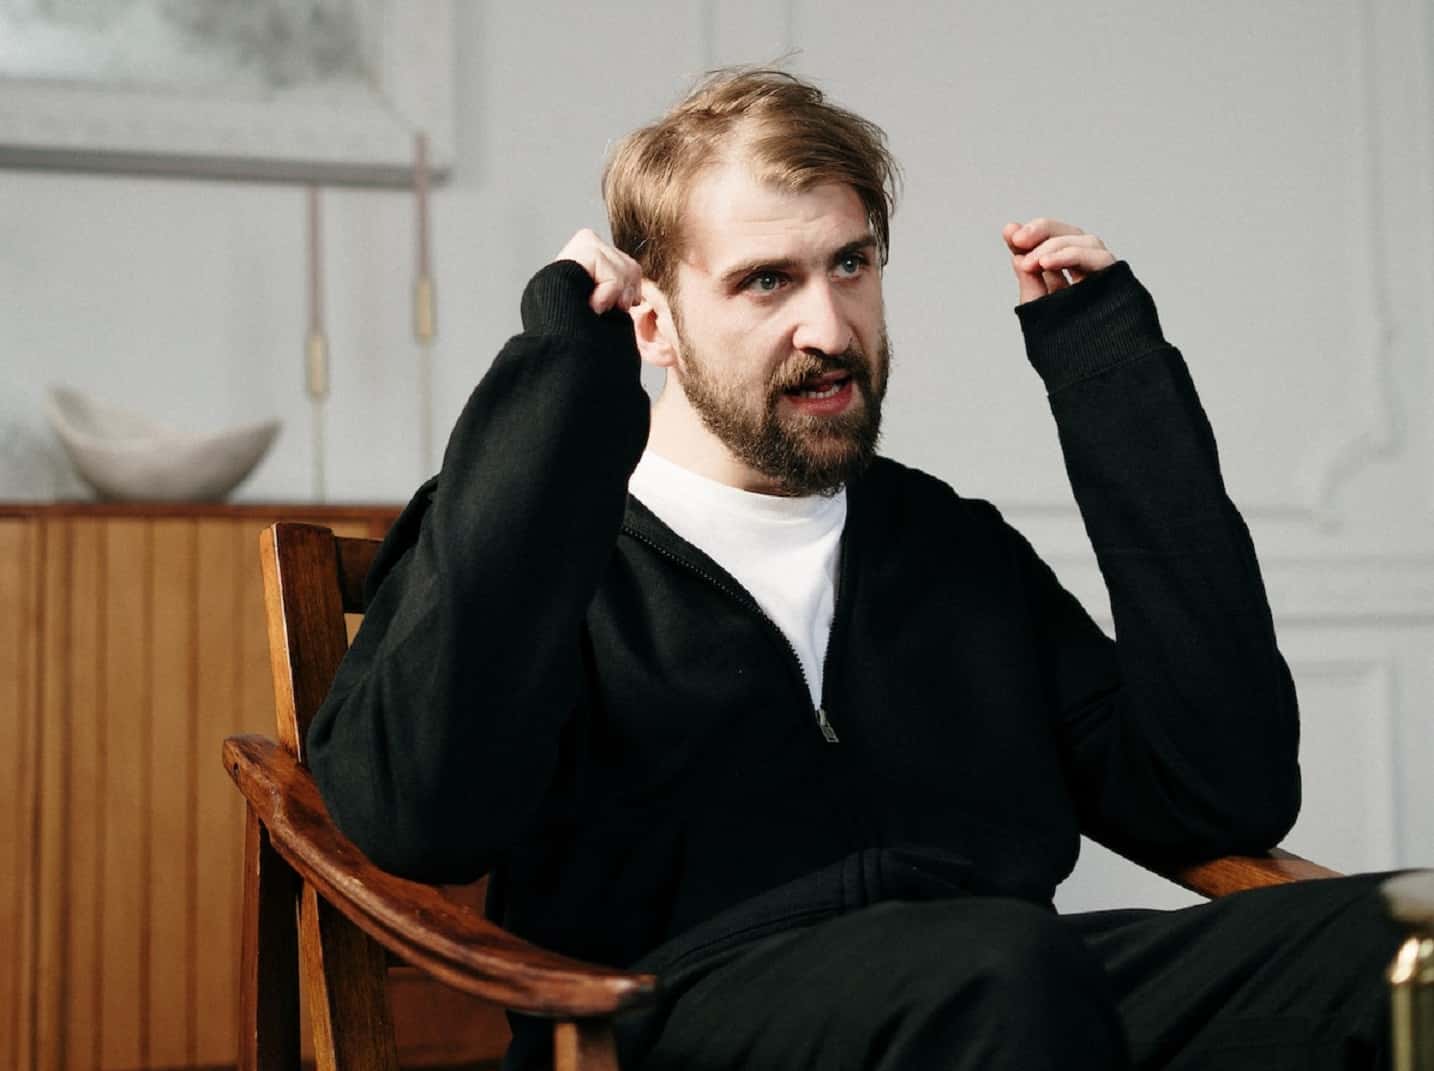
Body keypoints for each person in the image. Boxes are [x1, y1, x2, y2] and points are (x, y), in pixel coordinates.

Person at [307, 68, 1404, 1069]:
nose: (829, 329)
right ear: (653, 324)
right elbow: (418, 817)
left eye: (850, 264)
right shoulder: (544, 538)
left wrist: (1115, 382)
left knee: (1395, 943)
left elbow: (1218, 794)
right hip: (673, 1018)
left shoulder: (951, 547)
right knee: (1003, 973)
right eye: (765, 283)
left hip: (1010, 992)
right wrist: (560, 386)